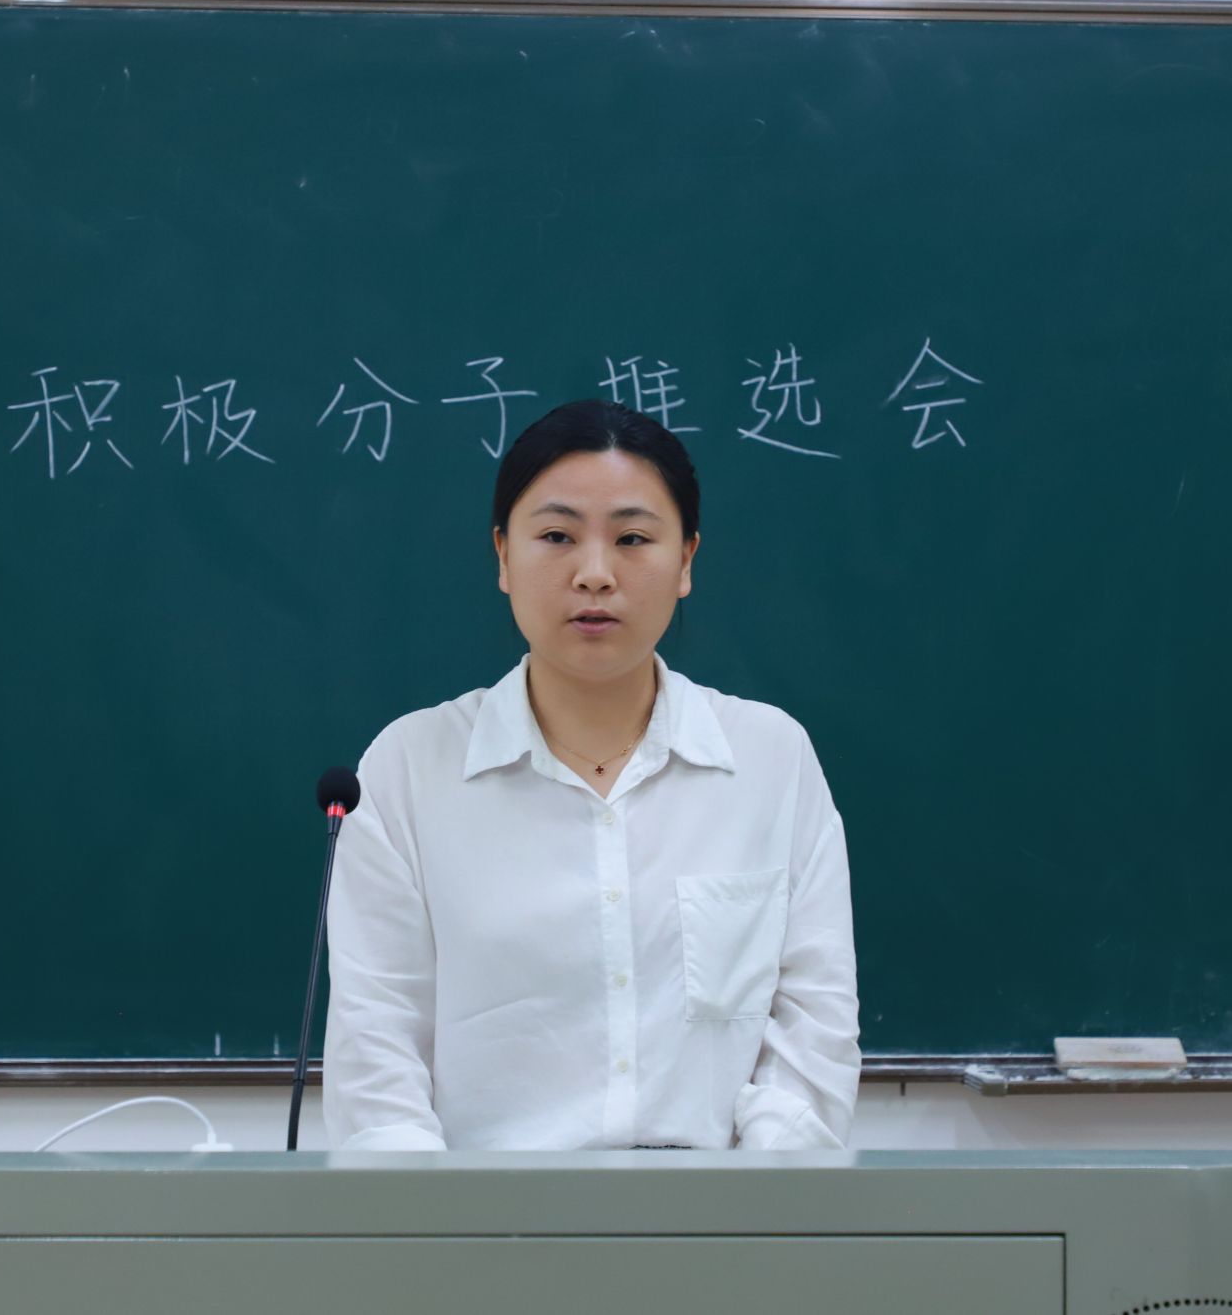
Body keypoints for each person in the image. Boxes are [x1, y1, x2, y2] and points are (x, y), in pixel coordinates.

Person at [323, 399, 860, 1150]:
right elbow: (378, 1048)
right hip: (482, 1216)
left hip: (725, 1211)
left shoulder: (770, 758)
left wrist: (753, 1198)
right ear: (503, 556)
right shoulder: (410, 767)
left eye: (633, 538)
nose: (596, 574)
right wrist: (434, 1215)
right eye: (557, 537)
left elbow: (814, 1021)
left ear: (686, 561)